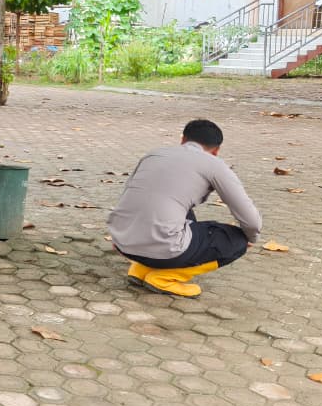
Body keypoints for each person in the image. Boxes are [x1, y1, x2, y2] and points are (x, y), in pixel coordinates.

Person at [108, 119, 262, 298]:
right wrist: (250, 238)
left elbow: (129, 195)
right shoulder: (215, 165)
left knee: (172, 207)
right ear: (216, 151)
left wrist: (120, 237)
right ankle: (163, 277)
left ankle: (140, 269)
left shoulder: (154, 154)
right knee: (237, 240)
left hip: (122, 242)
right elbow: (250, 218)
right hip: (165, 249)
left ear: (183, 140)